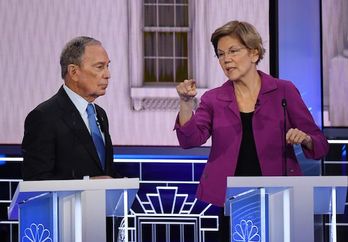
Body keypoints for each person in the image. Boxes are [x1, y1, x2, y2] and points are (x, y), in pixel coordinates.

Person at [174, 20, 329, 240]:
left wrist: (305, 139)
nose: (226, 59)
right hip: (232, 199)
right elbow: (189, 139)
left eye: (233, 51)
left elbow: (321, 145)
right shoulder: (214, 99)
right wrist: (186, 103)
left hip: (278, 196)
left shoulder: (284, 91)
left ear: (254, 53)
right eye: (220, 54)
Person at [22, 36, 121, 180]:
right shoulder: (43, 117)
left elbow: (105, 173)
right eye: (100, 67)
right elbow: (35, 181)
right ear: (74, 72)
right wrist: (85, 185)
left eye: (108, 66)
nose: (107, 75)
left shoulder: (100, 114)